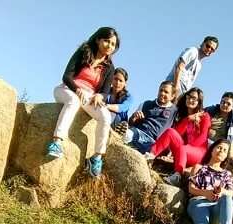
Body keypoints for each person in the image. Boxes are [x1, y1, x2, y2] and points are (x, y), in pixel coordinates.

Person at [46, 27, 120, 178]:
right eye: (107, 41)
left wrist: (100, 96)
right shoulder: (83, 52)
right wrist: (77, 89)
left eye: (113, 44)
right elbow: (66, 76)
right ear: (98, 39)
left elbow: (105, 91)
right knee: (73, 102)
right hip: (67, 89)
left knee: (105, 117)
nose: (109, 46)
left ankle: (96, 158)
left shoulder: (110, 68)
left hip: (88, 97)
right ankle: (57, 142)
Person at [147, 87, 211, 186]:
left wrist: (185, 148)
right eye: (189, 96)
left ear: (199, 102)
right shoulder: (184, 117)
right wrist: (188, 119)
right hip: (183, 151)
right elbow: (175, 134)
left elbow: (202, 138)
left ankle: (177, 175)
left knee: (183, 148)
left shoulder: (204, 116)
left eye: (194, 98)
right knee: (170, 131)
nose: (190, 99)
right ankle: (150, 156)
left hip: (199, 153)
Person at [187, 139, 233, 224]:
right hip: (198, 202)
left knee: (227, 198)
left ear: (226, 156)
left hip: (216, 207)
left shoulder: (227, 174)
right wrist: (205, 193)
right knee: (201, 222)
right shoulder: (199, 167)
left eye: (225, 150)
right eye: (219, 147)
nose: (221, 151)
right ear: (212, 149)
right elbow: (190, 189)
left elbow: (231, 193)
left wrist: (222, 191)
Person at [115, 81, 177, 154]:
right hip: (138, 132)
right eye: (161, 90)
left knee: (148, 152)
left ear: (172, 96)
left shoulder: (174, 111)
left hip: (153, 142)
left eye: (166, 92)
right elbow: (131, 122)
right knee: (128, 134)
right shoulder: (146, 104)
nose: (162, 93)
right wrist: (134, 117)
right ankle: (121, 137)